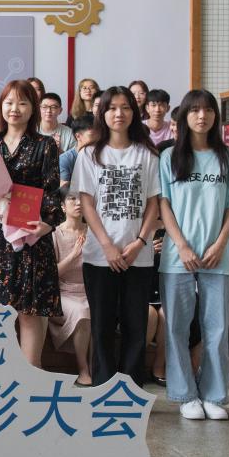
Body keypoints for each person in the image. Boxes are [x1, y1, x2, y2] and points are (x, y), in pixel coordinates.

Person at [158, 89, 229, 420]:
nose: (202, 116)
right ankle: (185, 395)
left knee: (217, 329)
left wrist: (221, 244)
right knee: (176, 328)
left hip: (217, 256)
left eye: (208, 110)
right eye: (195, 110)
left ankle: (213, 394)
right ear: (184, 116)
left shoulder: (227, 157)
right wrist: (181, 245)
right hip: (177, 256)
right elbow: (164, 205)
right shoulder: (169, 157)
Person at [72, 85, 160, 388]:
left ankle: (131, 390)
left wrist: (140, 242)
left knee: (136, 326)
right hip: (100, 256)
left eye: (125, 107)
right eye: (111, 108)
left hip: (138, 256)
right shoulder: (89, 154)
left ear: (134, 112)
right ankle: (104, 388)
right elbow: (86, 204)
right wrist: (107, 245)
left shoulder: (147, 154)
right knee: (102, 326)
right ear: (102, 113)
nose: (118, 113)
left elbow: (153, 203)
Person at [0, 80, 63, 368]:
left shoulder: (45, 145)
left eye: (23, 103)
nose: (15, 108)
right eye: (9, 102)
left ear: (33, 108)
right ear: (1, 107)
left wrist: (47, 223)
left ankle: (29, 376)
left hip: (29, 236)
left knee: (29, 311)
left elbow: (52, 193)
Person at [50, 186, 93, 386]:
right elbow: (51, 275)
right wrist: (74, 254)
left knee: (99, 310)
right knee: (82, 311)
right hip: (63, 293)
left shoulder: (93, 231)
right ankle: (83, 369)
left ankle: (97, 367)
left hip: (90, 291)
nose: (78, 203)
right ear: (62, 206)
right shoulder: (54, 234)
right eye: (72, 199)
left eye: (81, 199)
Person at [58, 114, 94, 186]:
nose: (97, 138)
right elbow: (64, 188)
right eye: (92, 135)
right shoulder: (65, 159)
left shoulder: (104, 155)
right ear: (78, 136)